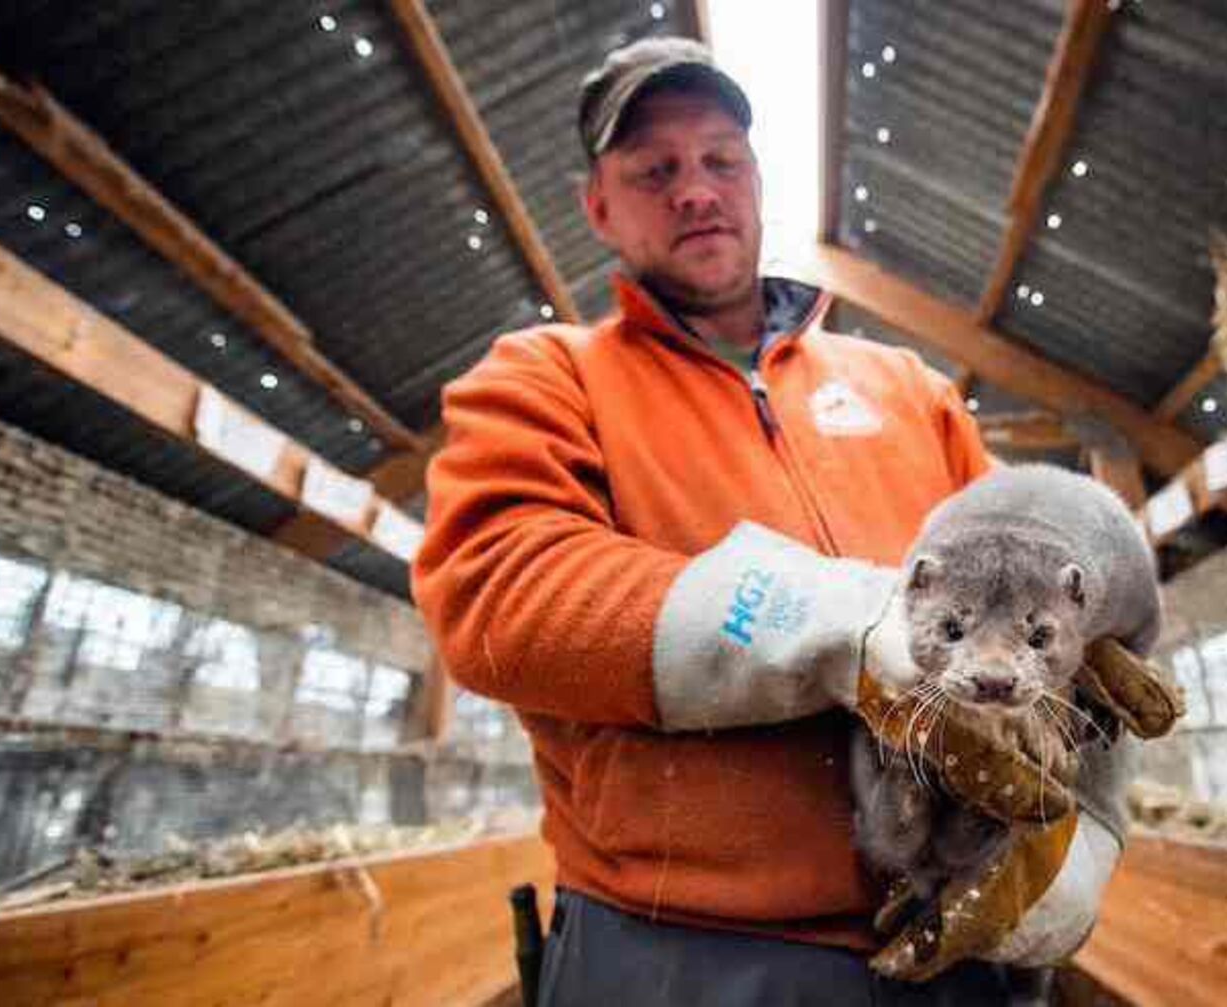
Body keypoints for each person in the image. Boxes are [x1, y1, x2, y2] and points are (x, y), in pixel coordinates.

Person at [412, 37, 1124, 1006]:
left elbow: (1064, 607)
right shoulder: (547, 375)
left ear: (756, 179)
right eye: (654, 170)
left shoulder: (908, 388)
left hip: (956, 935)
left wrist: (1088, 833)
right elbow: (503, 593)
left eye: (721, 160)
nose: (695, 189)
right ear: (599, 208)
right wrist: (844, 628)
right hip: (685, 953)